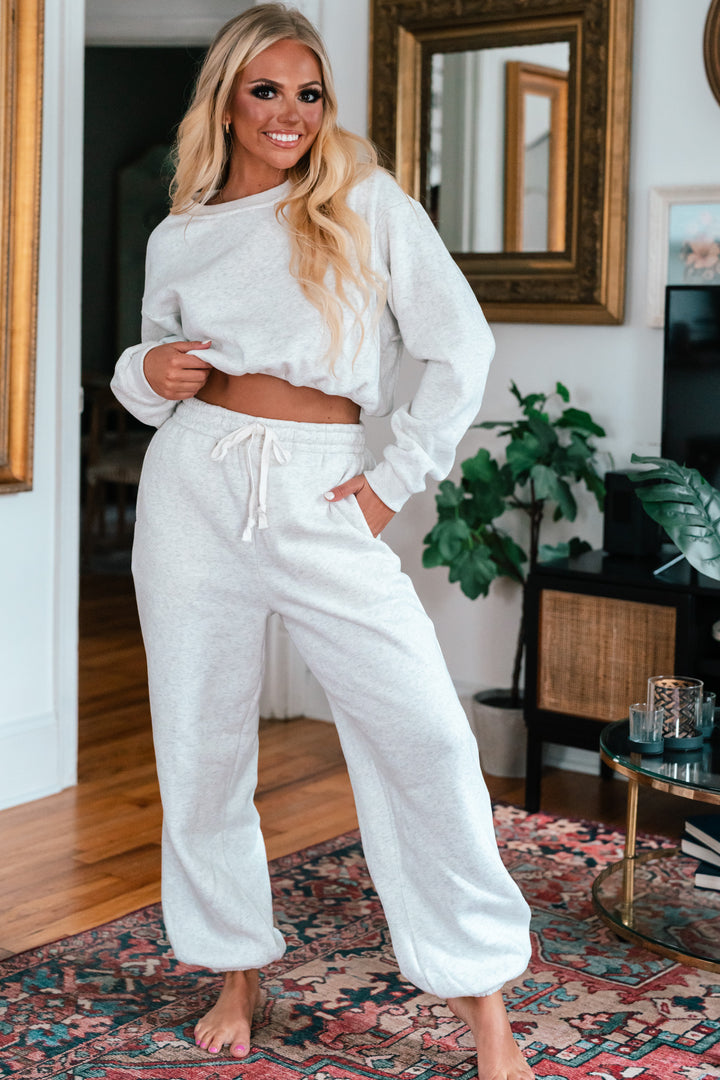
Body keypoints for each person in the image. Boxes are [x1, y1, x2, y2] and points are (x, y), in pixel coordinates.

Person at [111, 6, 534, 1078]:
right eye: (266, 90)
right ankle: (235, 966)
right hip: (194, 483)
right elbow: (156, 369)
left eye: (308, 93)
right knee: (199, 743)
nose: (290, 113)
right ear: (226, 102)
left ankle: (485, 999)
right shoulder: (180, 232)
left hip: (321, 486)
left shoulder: (364, 201)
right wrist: (141, 371)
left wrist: (392, 481)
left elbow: (461, 344)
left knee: (424, 733)